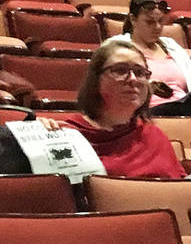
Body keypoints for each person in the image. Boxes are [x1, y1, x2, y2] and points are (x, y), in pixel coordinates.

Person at [60, 40, 184, 179]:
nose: (133, 79)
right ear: (96, 79)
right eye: (120, 70)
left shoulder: (152, 134)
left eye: (140, 72)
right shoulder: (68, 136)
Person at [116, 0, 191, 115]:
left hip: (185, 110)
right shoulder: (118, 48)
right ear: (133, 20)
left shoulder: (172, 47)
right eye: (149, 22)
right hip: (147, 111)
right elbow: (113, 86)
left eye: (160, 21)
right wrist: (147, 87)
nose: (157, 27)